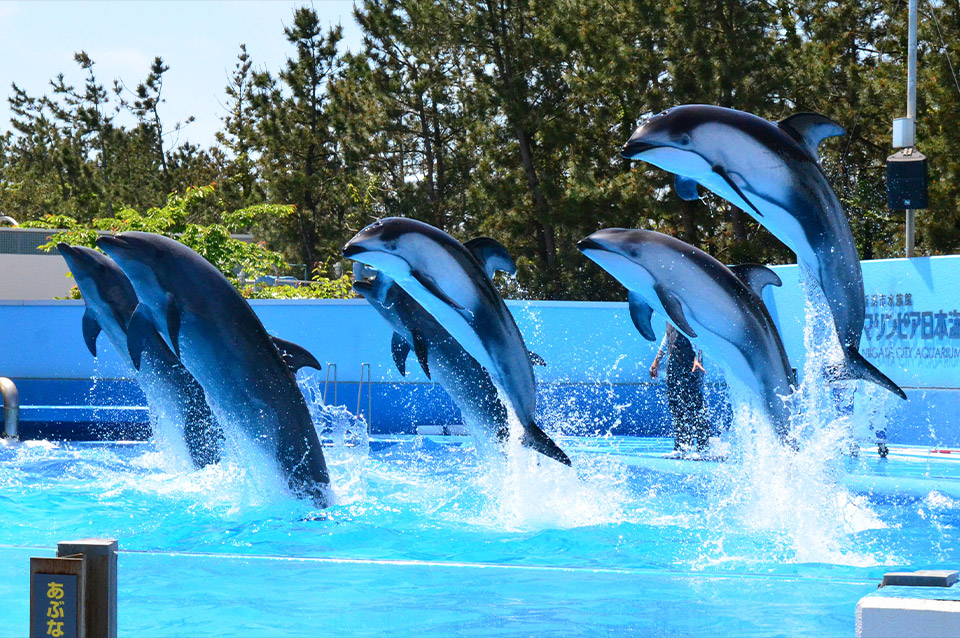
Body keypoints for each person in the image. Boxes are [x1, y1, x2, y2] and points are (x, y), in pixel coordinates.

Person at [650, 324, 709, 452]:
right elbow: (668, 335)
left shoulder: (690, 308)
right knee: (675, 403)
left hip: (692, 361)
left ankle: (703, 446)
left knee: (695, 404)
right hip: (673, 359)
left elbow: (700, 333)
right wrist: (657, 360)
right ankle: (682, 446)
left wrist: (697, 358)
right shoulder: (669, 311)